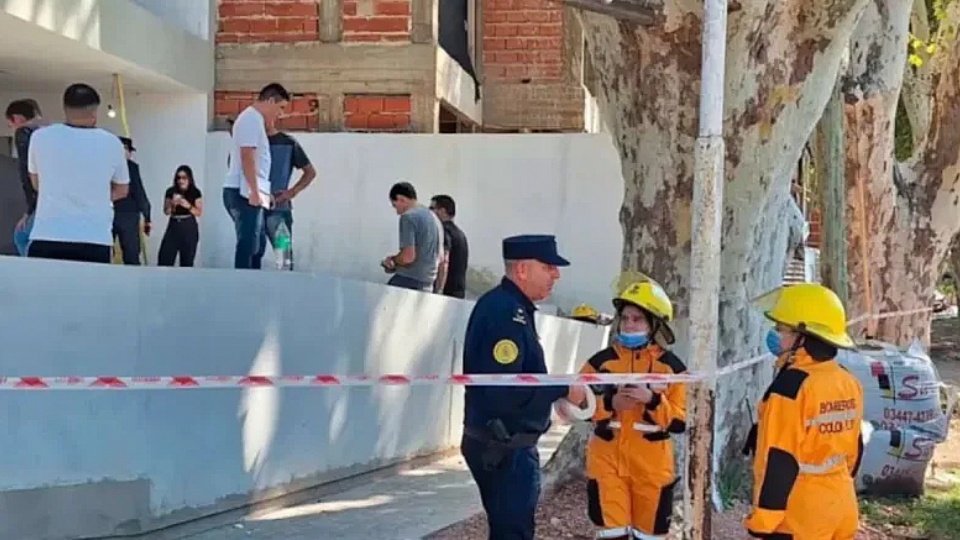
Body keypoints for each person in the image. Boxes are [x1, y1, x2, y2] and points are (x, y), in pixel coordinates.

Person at [461, 234, 588, 540]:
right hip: (503, 447)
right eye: (548, 267)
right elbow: (505, 390)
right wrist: (561, 388)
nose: (556, 275)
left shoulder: (510, 308)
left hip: (504, 445)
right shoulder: (506, 314)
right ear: (522, 269)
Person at [743, 283, 865, 540]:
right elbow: (855, 449)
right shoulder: (847, 380)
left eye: (781, 329)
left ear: (803, 336)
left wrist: (764, 519)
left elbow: (779, 458)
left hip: (800, 513)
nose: (775, 335)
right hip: (841, 505)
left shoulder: (790, 388)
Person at [579, 279, 687, 540]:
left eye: (637, 319)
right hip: (606, 462)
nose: (629, 324)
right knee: (612, 533)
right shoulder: (601, 363)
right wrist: (609, 404)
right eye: (625, 318)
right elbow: (578, 405)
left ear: (654, 324)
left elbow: (681, 422)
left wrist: (652, 401)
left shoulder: (671, 368)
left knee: (648, 535)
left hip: (652, 468)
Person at [27, 83, 129, 263]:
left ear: (64, 108)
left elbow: (36, 184)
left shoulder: (40, 138)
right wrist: (93, 196)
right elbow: (122, 190)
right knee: (90, 283)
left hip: (48, 233)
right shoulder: (112, 143)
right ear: (95, 111)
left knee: (45, 282)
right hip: (94, 236)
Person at [223, 83, 290, 269]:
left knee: (257, 245)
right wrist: (254, 191)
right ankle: (243, 281)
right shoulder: (250, 119)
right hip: (242, 191)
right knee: (248, 244)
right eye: (281, 107)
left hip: (251, 190)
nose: (280, 114)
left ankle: (252, 279)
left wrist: (263, 193)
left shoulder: (255, 120)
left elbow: (258, 164)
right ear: (270, 101)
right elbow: (248, 156)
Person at [254, 115, 316, 269]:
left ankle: (287, 284)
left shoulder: (288, 143)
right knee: (252, 255)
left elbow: (310, 172)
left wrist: (291, 192)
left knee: (284, 256)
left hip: (279, 209)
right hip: (252, 208)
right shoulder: (249, 144)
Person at [380, 182, 444, 291]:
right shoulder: (434, 218)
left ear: (401, 199)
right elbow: (441, 257)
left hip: (407, 281)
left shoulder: (408, 217)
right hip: (428, 284)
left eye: (395, 205)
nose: (397, 212)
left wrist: (393, 261)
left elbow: (408, 257)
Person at [5, 98, 48, 256]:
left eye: (10, 123)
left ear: (16, 118)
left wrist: (30, 210)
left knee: (21, 236)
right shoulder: (48, 132)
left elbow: (27, 174)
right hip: (57, 197)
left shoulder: (24, 133)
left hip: (42, 201)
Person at [112, 136, 152, 265]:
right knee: (131, 255)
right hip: (128, 216)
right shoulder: (131, 167)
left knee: (104, 252)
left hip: (108, 213)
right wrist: (147, 217)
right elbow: (139, 192)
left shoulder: (106, 166)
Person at [158, 165, 203, 267]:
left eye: (184, 177)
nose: (181, 180)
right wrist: (173, 204)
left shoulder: (195, 192)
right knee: (165, 258)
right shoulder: (171, 191)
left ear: (189, 178)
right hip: (174, 224)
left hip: (188, 225)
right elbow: (166, 211)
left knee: (187, 261)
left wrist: (188, 205)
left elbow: (199, 212)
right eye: (178, 177)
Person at [429, 194, 469, 298]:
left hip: (445, 293)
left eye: (432, 208)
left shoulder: (442, 231)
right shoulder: (460, 234)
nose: (430, 212)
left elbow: (444, 262)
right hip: (458, 292)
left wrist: (438, 291)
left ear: (442, 211)